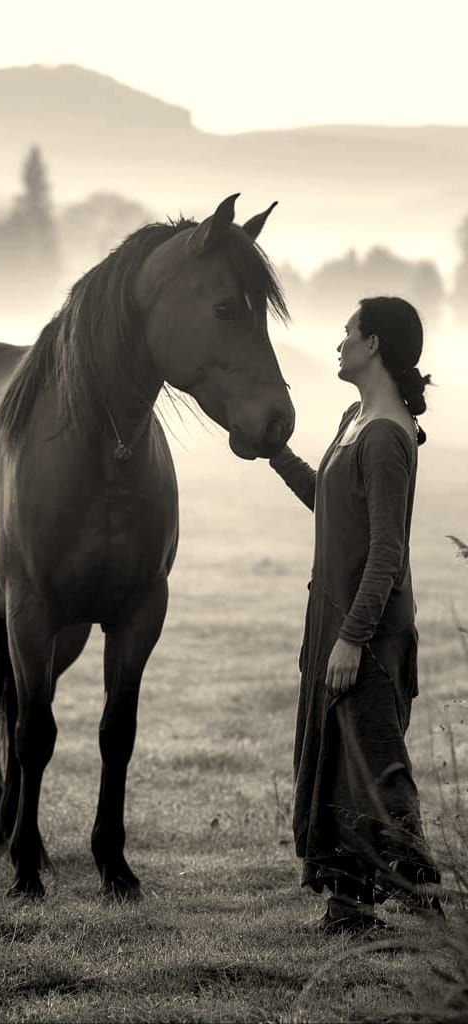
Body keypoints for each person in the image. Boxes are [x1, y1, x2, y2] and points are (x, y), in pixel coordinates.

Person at [270, 296, 442, 933]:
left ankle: (425, 910)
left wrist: (351, 639)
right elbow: (333, 506)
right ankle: (350, 906)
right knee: (338, 763)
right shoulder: (354, 417)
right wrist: (278, 456)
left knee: (377, 769)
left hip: (367, 630)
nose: (339, 341)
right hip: (334, 618)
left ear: (373, 345)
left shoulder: (387, 435)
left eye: (348, 331)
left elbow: (387, 552)